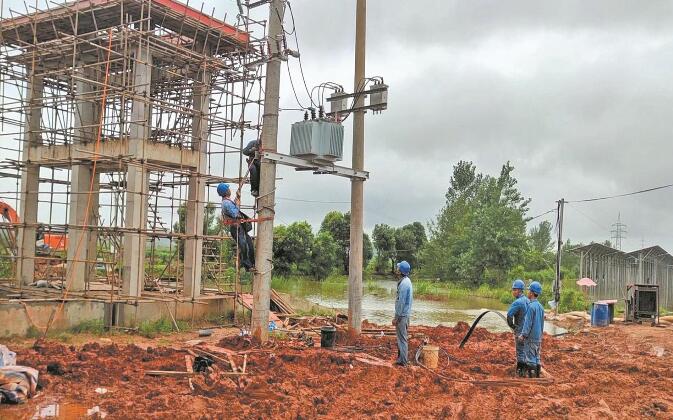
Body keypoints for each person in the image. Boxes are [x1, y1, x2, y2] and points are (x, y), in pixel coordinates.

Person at [217, 183, 255, 271]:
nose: (230, 190)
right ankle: (248, 266)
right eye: (228, 189)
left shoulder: (228, 201)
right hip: (236, 228)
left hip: (240, 227)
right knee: (244, 246)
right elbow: (235, 214)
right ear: (226, 191)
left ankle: (252, 265)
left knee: (249, 245)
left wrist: (237, 198)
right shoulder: (226, 203)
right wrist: (238, 204)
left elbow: (233, 208)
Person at [518, 281, 545, 378]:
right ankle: (537, 376)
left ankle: (532, 379)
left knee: (530, 359)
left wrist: (523, 335)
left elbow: (527, 323)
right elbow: (542, 323)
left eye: (529, 290)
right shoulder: (541, 307)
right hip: (538, 337)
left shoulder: (530, 306)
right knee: (537, 357)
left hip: (531, 337)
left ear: (532, 293)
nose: (528, 292)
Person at [507, 279, 529, 377]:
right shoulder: (528, 300)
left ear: (519, 290)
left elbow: (509, 316)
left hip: (520, 331)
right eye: (513, 289)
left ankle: (520, 372)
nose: (513, 291)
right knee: (526, 351)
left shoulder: (517, 302)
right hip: (528, 331)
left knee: (520, 351)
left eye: (514, 289)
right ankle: (527, 370)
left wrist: (513, 326)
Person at [392, 260, 413, 366]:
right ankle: (401, 359)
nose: (396, 270)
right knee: (401, 338)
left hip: (402, 316)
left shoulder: (404, 284)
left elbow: (401, 302)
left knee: (402, 339)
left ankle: (403, 361)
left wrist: (397, 317)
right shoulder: (407, 281)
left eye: (398, 268)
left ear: (401, 271)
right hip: (405, 314)